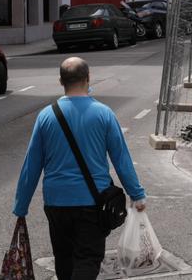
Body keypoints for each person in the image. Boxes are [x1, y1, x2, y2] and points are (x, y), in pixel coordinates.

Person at [14, 57, 147, 280]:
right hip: (92, 204)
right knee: (88, 260)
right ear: (88, 79)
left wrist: (21, 205)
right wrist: (137, 194)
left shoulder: (46, 116)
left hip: (56, 204)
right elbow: (121, 158)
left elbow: (32, 165)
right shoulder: (104, 114)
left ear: (60, 81)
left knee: (64, 260)